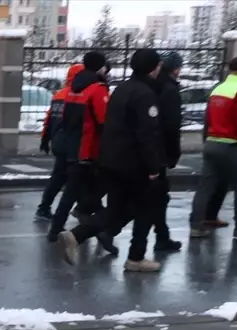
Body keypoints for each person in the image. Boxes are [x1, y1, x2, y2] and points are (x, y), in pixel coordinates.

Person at [62, 49, 166, 272]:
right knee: (144, 208)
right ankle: (136, 258)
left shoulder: (121, 89)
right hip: (134, 164)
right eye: (158, 66)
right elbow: (146, 135)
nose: (160, 69)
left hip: (111, 160)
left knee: (119, 210)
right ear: (152, 68)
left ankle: (76, 235)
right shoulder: (145, 95)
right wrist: (153, 167)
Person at [50, 51, 116, 249]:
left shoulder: (73, 89)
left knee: (81, 193)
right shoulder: (97, 90)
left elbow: (67, 119)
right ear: (100, 67)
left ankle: (62, 229)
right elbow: (105, 122)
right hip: (89, 150)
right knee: (87, 193)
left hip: (73, 147)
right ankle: (99, 232)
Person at [189, 56, 237, 239]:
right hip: (232, 144)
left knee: (205, 187)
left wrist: (207, 141)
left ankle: (196, 225)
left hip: (212, 142)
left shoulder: (218, 89)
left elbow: (207, 119)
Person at [35, 63, 84, 221]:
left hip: (58, 142)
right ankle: (83, 211)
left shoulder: (59, 95)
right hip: (72, 144)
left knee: (58, 177)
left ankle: (44, 207)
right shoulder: (77, 95)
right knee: (77, 179)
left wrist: (45, 138)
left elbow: (49, 119)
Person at [152, 51, 183, 253]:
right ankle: (98, 229)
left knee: (156, 196)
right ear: (176, 69)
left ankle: (162, 236)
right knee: (157, 197)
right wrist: (173, 155)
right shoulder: (170, 90)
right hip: (159, 151)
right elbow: (172, 127)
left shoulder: (152, 86)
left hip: (146, 148)